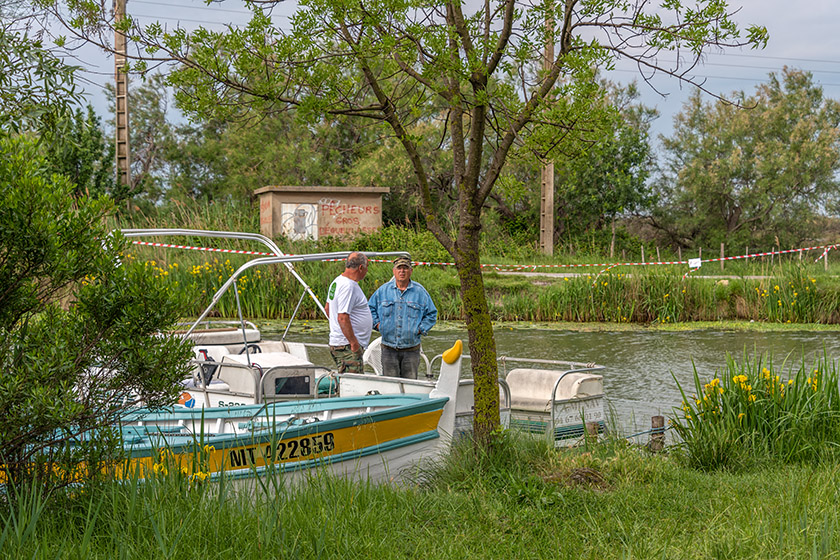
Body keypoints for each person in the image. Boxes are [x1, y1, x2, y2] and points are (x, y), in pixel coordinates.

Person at [368, 255, 437, 379]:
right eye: (399, 268)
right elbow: (369, 309)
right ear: (394, 271)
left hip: (411, 350)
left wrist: (420, 329)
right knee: (391, 387)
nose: (402, 271)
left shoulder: (420, 292)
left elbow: (432, 314)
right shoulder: (382, 291)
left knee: (410, 385)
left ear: (411, 271)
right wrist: (378, 325)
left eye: (405, 268)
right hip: (388, 348)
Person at [325, 252, 372, 373]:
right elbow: (342, 317)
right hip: (347, 346)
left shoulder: (337, 281)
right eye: (366, 267)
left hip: (340, 342)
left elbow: (327, 308)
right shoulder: (348, 286)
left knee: (345, 380)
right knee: (353, 384)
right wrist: (353, 343)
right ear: (361, 267)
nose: (367, 271)